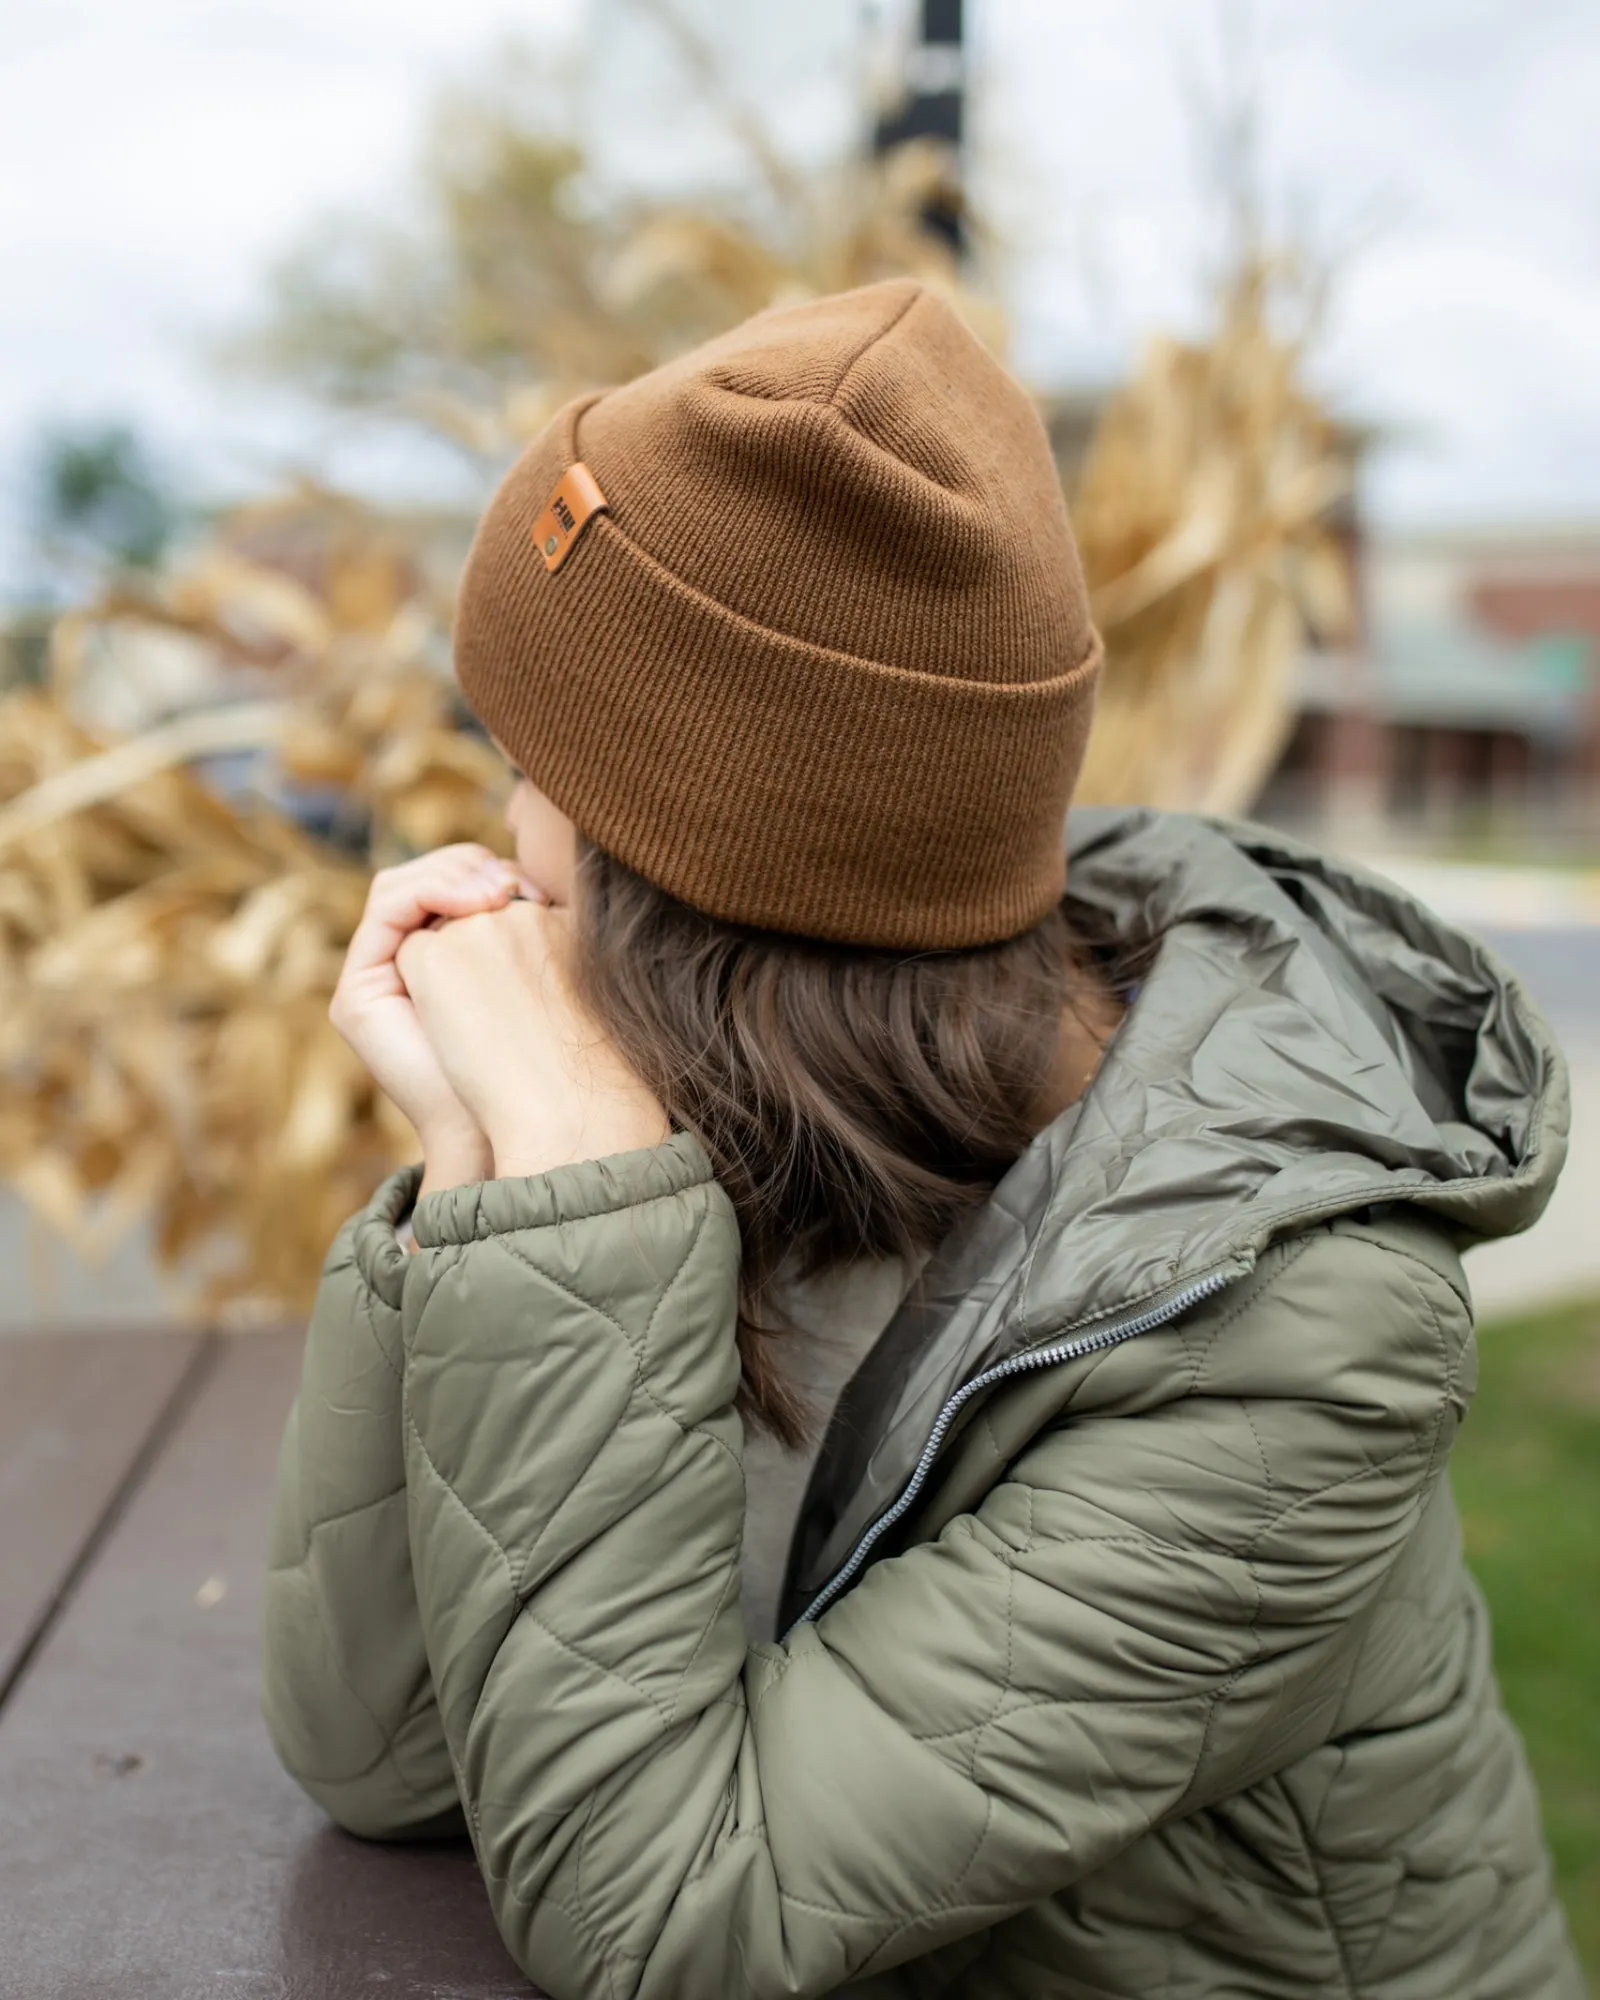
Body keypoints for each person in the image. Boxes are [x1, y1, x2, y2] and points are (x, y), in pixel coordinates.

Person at [261, 280, 1583, 1999]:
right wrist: (470, 1177)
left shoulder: (1288, 1344)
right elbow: (386, 1758)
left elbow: (664, 1923)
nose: (498, 831)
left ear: (701, 886)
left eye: (534, 767)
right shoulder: (730, 1104)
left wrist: (585, 1199)